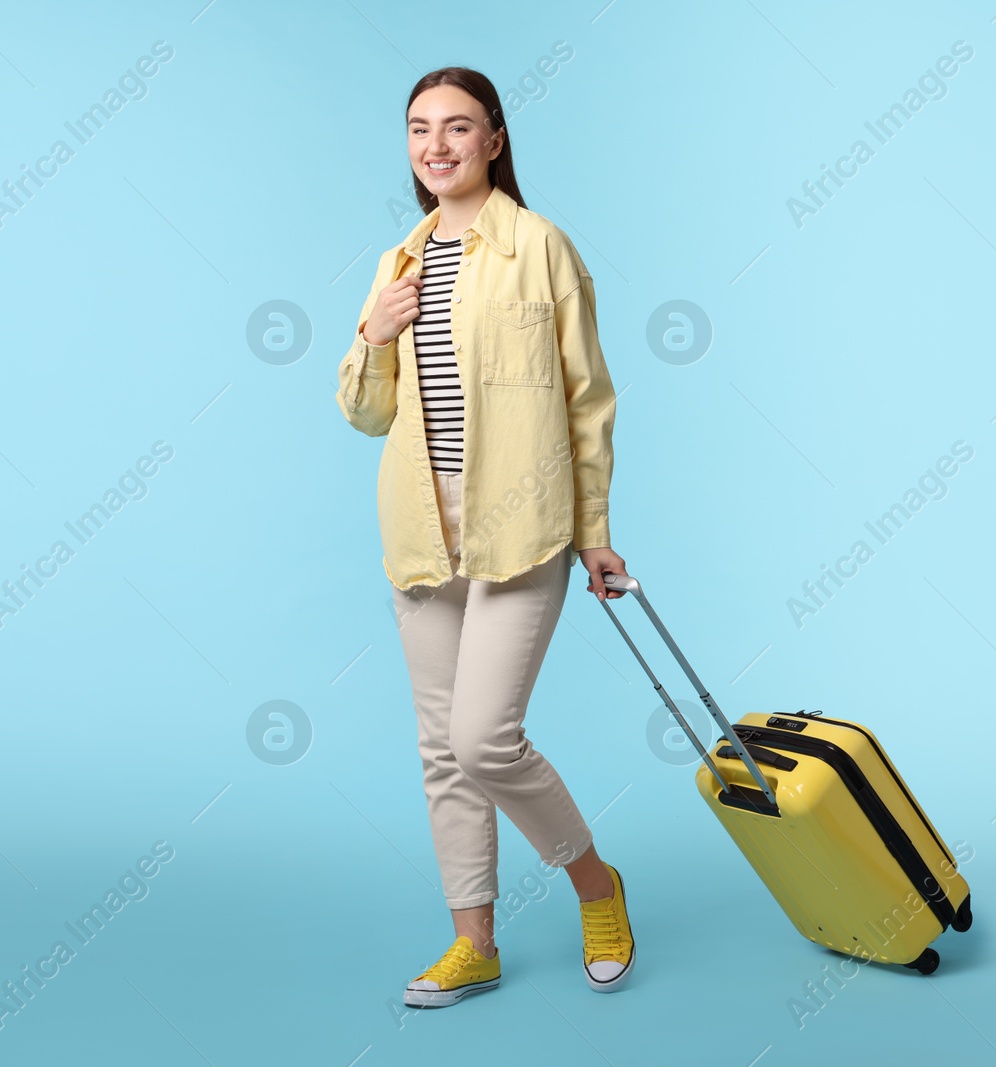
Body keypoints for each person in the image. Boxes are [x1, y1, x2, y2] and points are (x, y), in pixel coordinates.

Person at [336, 67, 635, 1008]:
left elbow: (588, 402)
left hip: (523, 529)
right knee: (442, 749)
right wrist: (374, 334)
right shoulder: (396, 261)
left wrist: (595, 535)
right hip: (424, 533)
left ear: (495, 140)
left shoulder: (541, 248)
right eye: (421, 129)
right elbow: (363, 412)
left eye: (458, 127)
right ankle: (475, 941)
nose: (437, 145)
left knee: (483, 738)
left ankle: (597, 883)